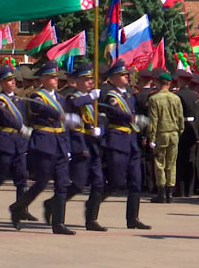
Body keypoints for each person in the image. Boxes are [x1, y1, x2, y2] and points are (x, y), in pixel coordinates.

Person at [9, 61, 75, 235]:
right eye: (52, 77)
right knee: (41, 182)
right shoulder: (37, 96)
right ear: (44, 79)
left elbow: (64, 125)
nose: (55, 80)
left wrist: (67, 146)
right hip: (44, 144)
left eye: (56, 77)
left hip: (60, 143)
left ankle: (58, 223)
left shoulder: (61, 98)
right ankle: (18, 207)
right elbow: (42, 109)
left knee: (62, 184)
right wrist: (60, 115)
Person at [0, 65, 35, 222]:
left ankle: (22, 209)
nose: (12, 82)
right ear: (2, 83)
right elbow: (6, 117)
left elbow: (25, 116)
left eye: (13, 80)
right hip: (5, 141)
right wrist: (21, 127)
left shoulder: (19, 99)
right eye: (9, 80)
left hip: (19, 142)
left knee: (22, 177)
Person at [55, 64, 107, 231]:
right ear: (75, 81)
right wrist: (91, 96)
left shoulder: (93, 102)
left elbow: (100, 120)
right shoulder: (71, 96)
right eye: (85, 79)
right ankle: (53, 204)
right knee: (78, 183)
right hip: (79, 144)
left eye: (91, 79)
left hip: (93, 145)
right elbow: (76, 103)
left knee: (99, 183)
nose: (89, 82)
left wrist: (100, 130)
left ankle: (91, 219)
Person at [100, 60, 151, 229]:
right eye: (122, 74)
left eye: (127, 74)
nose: (126, 76)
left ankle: (132, 218)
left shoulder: (130, 95)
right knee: (117, 181)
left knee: (136, 181)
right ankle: (94, 203)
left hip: (131, 141)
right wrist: (133, 119)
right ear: (113, 77)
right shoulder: (111, 95)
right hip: (117, 139)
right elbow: (115, 112)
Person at [148, 72, 184, 203]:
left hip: (161, 134)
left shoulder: (154, 99)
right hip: (174, 133)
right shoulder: (176, 98)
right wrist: (179, 131)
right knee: (171, 163)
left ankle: (161, 193)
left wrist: (151, 137)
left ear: (158, 82)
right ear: (169, 84)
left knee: (159, 163)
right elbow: (180, 118)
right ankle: (170, 193)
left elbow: (153, 120)